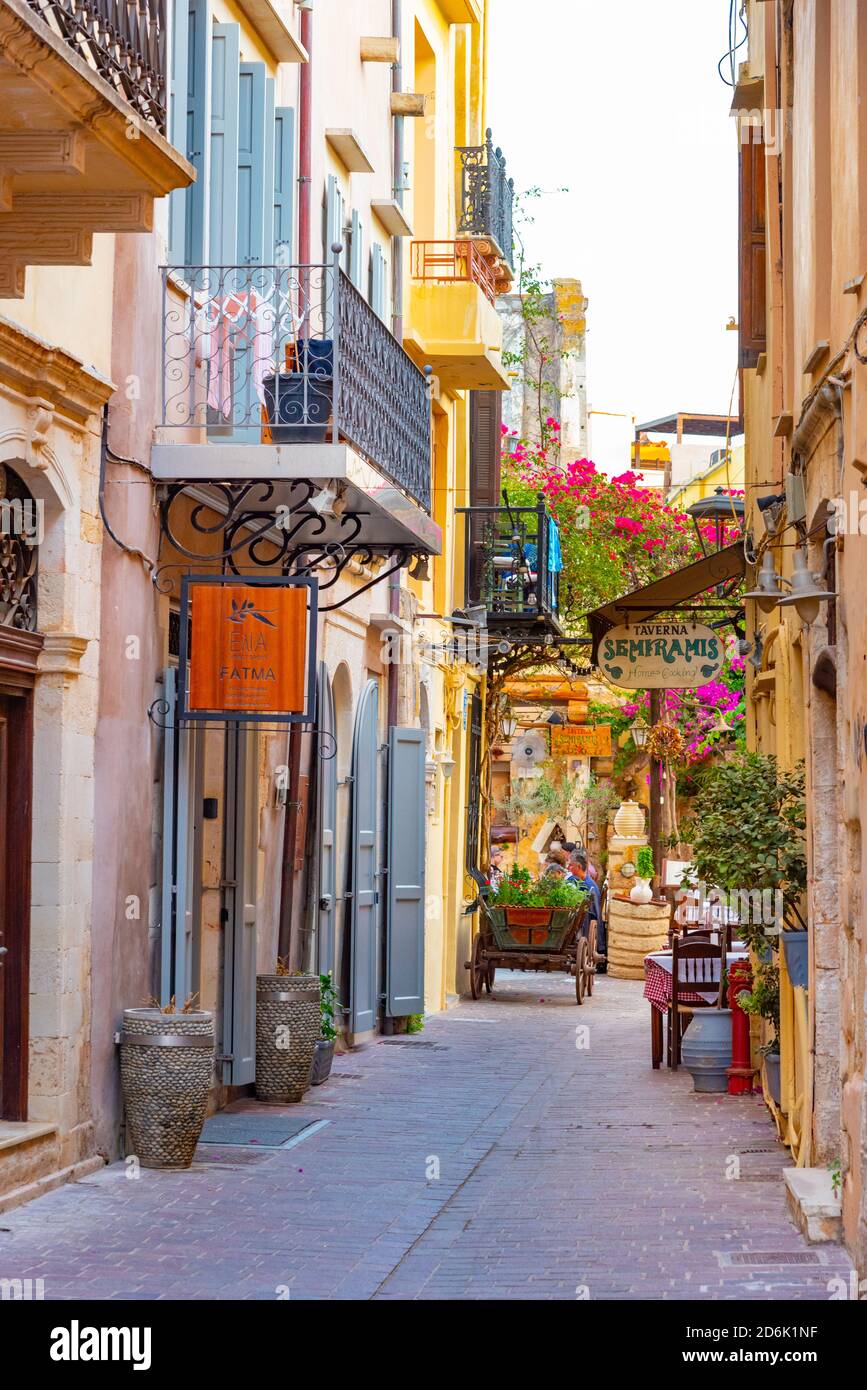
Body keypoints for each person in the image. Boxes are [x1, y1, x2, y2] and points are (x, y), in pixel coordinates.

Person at [571, 849, 606, 969]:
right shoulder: (576, 880)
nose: (569, 868)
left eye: (571, 865)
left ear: (579, 866)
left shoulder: (590, 886)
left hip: (586, 919)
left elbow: (593, 912)